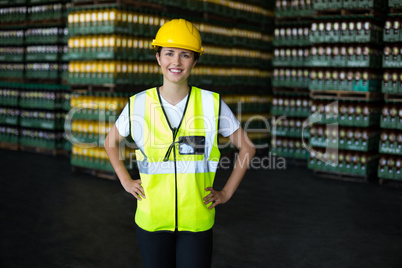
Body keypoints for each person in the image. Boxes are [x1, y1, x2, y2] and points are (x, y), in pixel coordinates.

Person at [104, 18, 256, 268]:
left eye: (185, 55)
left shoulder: (211, 104)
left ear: (195, 61)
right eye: (169, 53)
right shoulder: (138, 104)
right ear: (158, 58)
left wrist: (226, 193)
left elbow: (247, 147)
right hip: (152, 219)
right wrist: (125, 180)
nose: (176, 62)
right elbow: (111, 142)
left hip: (196, 220)